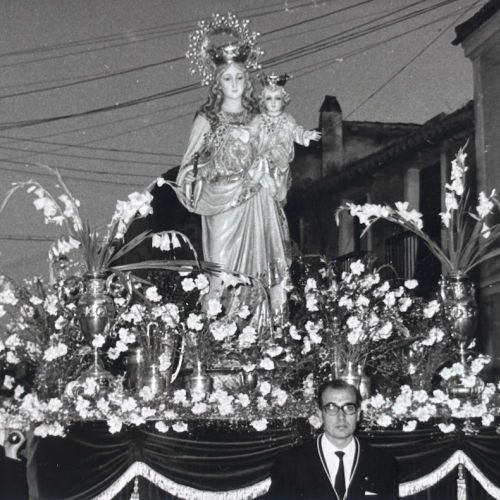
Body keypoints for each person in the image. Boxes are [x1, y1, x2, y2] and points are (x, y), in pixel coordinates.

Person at [176, 16, 292, 322]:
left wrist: (275, 168)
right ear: (217, 82)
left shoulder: (259, 120)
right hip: (220, 203)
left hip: (255, 201)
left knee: (258, 267)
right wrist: (189, 176)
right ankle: (220, 330)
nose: (235, 85)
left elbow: (277, 158)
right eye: (228, 79)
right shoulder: (207, 120)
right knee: (222, 268)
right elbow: (189, 163)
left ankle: (255, 331)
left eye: (240, 78)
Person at [265, 379, 399, 499]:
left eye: (349, 407)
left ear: (358, 414)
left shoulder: (383, 463)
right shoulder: (290, 463)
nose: (341, 417)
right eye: (331, 408)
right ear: (320, 414)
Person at [248, 73, 321, 202]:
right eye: (269, 98)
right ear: (263, 101)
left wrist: (305, 135)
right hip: (261, 157)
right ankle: (267, 182)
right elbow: (250, 132)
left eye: (277, 98)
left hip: (279, 154)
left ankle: (259, 182)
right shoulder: (258, 119)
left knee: (266, 158)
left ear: (284, 100)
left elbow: (295, 131)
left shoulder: (287, 119)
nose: (273, 102)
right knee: (254, 161)